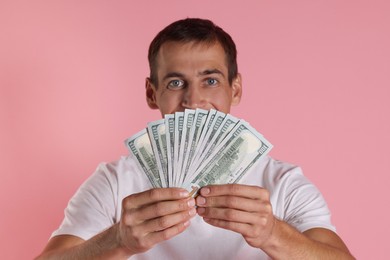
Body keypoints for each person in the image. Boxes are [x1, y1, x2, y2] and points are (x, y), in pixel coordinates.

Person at [37, 18, 354, 259]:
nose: (194, 100)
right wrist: (117, 239)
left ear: (236, 88)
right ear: (152, 93)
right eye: (176, 83)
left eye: (211, 80)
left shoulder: (283, 183)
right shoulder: (114, 182)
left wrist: (273, 234)